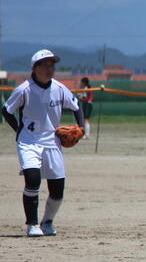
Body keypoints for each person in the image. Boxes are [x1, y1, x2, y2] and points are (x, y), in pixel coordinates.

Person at [2, 49, 84, 237]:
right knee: (32, 180)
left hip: (52, 142)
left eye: (52, 65)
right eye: (45, 65)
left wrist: (81, 128)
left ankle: (47, 222)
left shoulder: (59, 88)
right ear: (34, 68)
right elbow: (6, 110)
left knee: (57, 191)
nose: (50, 68)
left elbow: (76, 105)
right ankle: (32, 224)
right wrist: (19, 130)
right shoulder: (24, 89)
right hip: (29, 142)